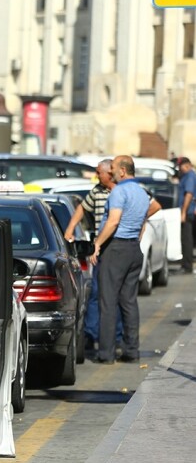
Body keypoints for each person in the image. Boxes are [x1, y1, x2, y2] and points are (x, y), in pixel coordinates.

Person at [89, 155, 150, 364]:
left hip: (115, 249)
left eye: (113, 168)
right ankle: (131, 350)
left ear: (123, 171)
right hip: (133, 247)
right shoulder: (142, 193)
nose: (112, 171)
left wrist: (97, 244)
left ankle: (106, 353)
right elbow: (143, 221)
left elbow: (113, 221)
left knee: (108, 302)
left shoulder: (119, 192)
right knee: (129, 301)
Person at [64, 159, 119, 355]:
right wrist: (70, 229)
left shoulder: (122, 191)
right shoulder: (97, 191)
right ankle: (92, 334)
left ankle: (117, 338)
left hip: (117, 246)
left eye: (99, 172)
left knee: (117, 295)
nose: (96, 176)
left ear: (109, 173)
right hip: (99, 248)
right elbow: (82, 208)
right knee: (96, 293)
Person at [177, 157, 196, 273]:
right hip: (187, 211)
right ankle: (185, 264)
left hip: (188, 212)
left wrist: (183, 212)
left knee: (187, 239)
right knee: (186, 238)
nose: (180, 169)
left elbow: (188, 194)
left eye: (181, 166)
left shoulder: (189, 176)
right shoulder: (187, 175)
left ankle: (187, 266)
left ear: (187, 165)